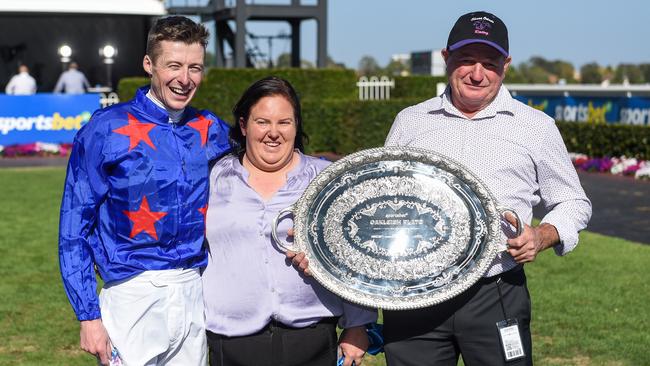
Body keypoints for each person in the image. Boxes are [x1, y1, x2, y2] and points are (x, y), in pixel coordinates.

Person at [380, 11, 592, 366]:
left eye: (489, 63)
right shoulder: (410, 122)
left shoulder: (535, 127)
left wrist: (543, 235)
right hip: (415, 294)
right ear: (446, 58)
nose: (477, 74)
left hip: (496, 291)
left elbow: (573, 201)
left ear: (506, 64)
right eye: (466, 60)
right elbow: (382, 201)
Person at [59, 16, 230, 365]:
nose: (185, 79)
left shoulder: (209, 127)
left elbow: (266, 164)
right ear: (148, 64)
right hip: (130, 295)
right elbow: (73, 227)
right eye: (174, 66)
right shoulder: (105, 129)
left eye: (195, 67)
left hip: (194, 290)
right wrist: (88, 315)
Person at [201, 76, 377, 366]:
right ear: (244, 126)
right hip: (232, 341)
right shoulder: (213, 178)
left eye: (284, 122)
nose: (274, 132)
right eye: (262, 122)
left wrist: (357, 326)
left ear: (296, 126)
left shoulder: (326, 180)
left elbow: (356, 255)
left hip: (312, 337)